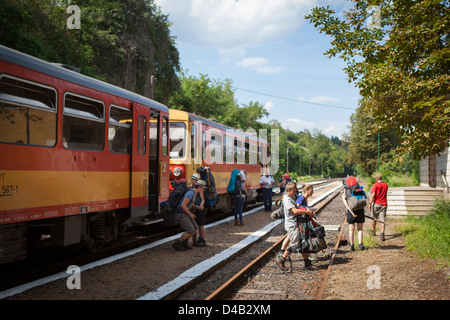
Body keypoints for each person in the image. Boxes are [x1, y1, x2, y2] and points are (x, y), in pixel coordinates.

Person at [276, 182, 314, 269]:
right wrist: (307, 212)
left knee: (301, 242)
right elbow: (295, 211)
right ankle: (281, 260)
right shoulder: (287, 200)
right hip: (291, 225)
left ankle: (307, 262)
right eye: (293, 191)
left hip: (294, 224)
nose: (295, 193)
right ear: (288, 191)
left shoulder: (290, 197)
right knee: (295, 245)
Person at [172, 184, 199, 251]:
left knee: (195, 228)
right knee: (190, 230)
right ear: (200, 187)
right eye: (203, 188)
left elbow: (188, 203)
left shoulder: (193, 193)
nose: (204, 190)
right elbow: (183, 205)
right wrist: (190, 214)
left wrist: (194, 206)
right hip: (181, 213)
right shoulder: (190, 193)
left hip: (184, 213)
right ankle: (177, 243)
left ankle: (184, 242)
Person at [342, 182, 366, 251]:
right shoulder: (359, 190)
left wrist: (352, 213)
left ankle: (352, 245)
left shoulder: (346, 192)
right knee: (360, 229)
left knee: (351, 229)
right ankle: (360, 244)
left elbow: (346, 204)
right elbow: (364, 198)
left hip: (351, 211)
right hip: (360, 210)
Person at [369, 173, 388, 241]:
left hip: (377, 204)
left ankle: (373, 231)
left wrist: (370, 203)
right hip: (384, 204)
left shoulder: (375, 185)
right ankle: (382, 233)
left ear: (376, 179)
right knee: (382, 219)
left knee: (374, 218)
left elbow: (373, 195)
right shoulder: (386, 185)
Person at [193, 179, 207, 246]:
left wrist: (200, 206)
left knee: (200, 224)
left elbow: (203, 200)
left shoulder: (198, 191)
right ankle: (196, 240)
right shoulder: (194, 191)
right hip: (195, 208)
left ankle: (201, 239)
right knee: (197, 224)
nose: (204, 189)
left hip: (199, 209)